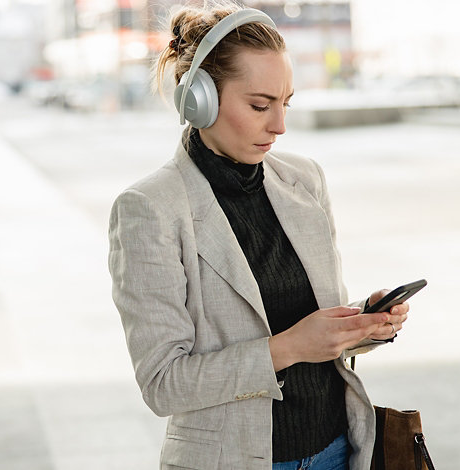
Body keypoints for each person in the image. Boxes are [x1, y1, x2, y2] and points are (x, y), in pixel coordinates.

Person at [107, 4, 410, 470]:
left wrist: (362, 325)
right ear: (199, 99)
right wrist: (290, 347)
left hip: (339, 450)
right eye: (259, 105)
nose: (279, 126)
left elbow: (317, 334)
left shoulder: (304, 180)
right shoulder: (151, 209)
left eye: (285, 103)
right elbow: (163, 384)